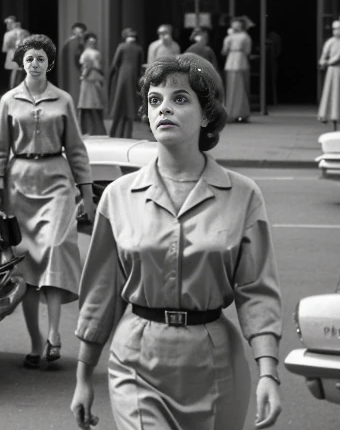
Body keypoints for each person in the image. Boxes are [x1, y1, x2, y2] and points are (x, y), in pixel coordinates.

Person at [71, 54, 284, 430]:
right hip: (136, 360)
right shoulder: (118, 196)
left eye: (180, 99)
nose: (164, 109)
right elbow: (102, 293)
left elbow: (257, 292)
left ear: (206, 115)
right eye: (155, 100)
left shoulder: (243, 195)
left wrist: (268, 373)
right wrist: (83, 378)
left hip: (215, 364)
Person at [0, 34, 96, 370]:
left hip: (57, 180)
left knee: (58, 247)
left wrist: (86, 196)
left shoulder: (63, 99)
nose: (34, 64)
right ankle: (34, 343)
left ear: (51, 63)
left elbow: (76, 149)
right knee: (26, 264)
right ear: (22, 63)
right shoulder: (8, 100)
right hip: (18, 184)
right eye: (29, 59)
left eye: (40, 59)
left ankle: (55, 333)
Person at [109, 28, 143, 139]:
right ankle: (127, 132)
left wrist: (113, 75)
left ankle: (115, 132)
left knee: (120, 103)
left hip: (122, 77)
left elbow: (115, 63)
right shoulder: (138, 48)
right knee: (130, 104)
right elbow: (140, 66)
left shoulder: (122, 47)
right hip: (133, 78)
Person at [222, 17, 252, 122]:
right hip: (233, 60)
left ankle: (239, 111)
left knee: (239, 88)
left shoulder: (244, 36)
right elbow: (224, 50)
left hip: (238, 60)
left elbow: (247, 50)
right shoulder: (231, 37)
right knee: (232, 88)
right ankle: (232, 111)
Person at [78, 33, 107, 136]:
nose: (92, 44)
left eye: (93, 42)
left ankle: (89, 130)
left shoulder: (88, 53)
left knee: (89, 104)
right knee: (92, 104)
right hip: (94, 79)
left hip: (89, 80)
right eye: (90, 42)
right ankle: (94, 130)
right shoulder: (94, 53)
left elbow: (88, 66)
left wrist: (83, 76)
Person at [59, 22, 87, 103]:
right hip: (72, 71)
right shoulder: (69, 43)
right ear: (74, 31)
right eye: (79, 29)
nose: (81, 31)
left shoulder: (82, 43)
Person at [4, 16, 29, 89]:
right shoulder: (24, 32)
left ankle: (14, 88)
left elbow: (5, 48)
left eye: (9, 23)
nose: (8, 26)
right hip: (19, 54)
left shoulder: (9, 34)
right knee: (19, 71)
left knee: (16, 72)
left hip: (15, 54)